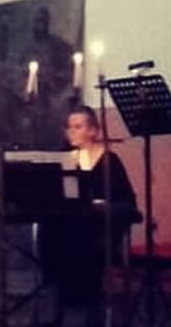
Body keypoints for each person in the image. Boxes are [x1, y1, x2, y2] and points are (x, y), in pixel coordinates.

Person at [38, 105, 137, 324]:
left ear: (93, 130)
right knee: (54, 232)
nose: (71, 132)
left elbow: (127, 203)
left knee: (80, 244)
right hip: (66, 230)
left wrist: (100, 206)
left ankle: (80, 311)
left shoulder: (110, 161)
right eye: (68, 127)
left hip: (98, 231)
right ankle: (56, 312)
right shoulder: (61, 159)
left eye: (78, 126)